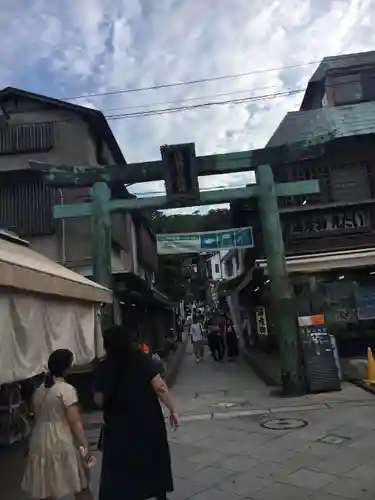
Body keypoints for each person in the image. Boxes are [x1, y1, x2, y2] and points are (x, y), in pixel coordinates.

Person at [93, 326, 179, 500]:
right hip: (148, 422)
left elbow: (99, 400)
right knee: (153, 458)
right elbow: (160, 388)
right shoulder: (142, 360)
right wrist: (172, 409)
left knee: (122, 467)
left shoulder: (104, 367)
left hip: (119, 427)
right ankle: (158, 493)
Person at [22, 349, 94, 500]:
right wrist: (85, 445)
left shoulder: (39, 390)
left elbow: (35, 418)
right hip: (61, 441)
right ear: (67, 367)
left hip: (39, 441)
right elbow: (74, 422)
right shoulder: (66, 390)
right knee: (81, 484)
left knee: (47, 489)